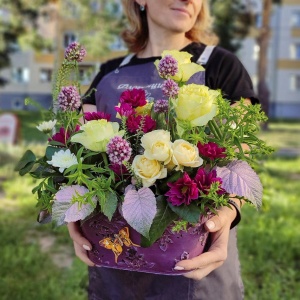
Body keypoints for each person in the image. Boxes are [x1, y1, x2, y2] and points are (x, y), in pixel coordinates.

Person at [67, 0, 258, 299]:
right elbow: (78, 153)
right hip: (116, 261)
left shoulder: (221, 65)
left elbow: (239, 156)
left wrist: (226, 215)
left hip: (197, 267)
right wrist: (73, 215)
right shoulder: (110, 73)